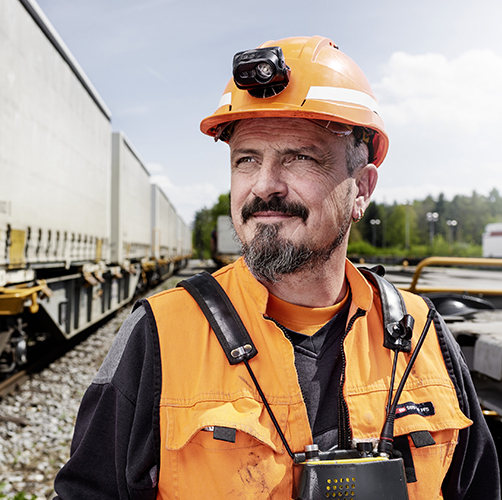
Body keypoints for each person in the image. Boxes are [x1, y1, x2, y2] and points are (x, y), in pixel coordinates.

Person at [53, 36, 499, 499]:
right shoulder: (160, 334)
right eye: (246, 160)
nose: (265, 186)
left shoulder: (422, 334)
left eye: (300, 157)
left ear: (362, 188)